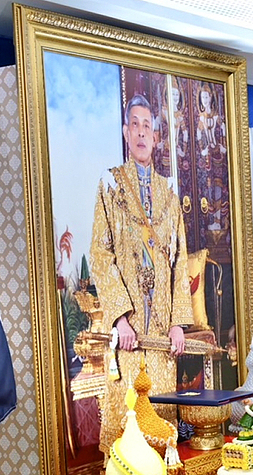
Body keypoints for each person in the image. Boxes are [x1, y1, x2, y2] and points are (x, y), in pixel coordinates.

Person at [90, 94, 193, 453]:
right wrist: (119, 318)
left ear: (156, 136)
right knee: (127, 427)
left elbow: (180, 260)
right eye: (134, 124)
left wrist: (179, 322)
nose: (140, 132)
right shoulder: (110, 185)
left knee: (162, 424)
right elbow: (100, 255)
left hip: (162, 333)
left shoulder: (169, 192)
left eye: (147, 126)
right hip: (130, 334)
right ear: (125, 131)